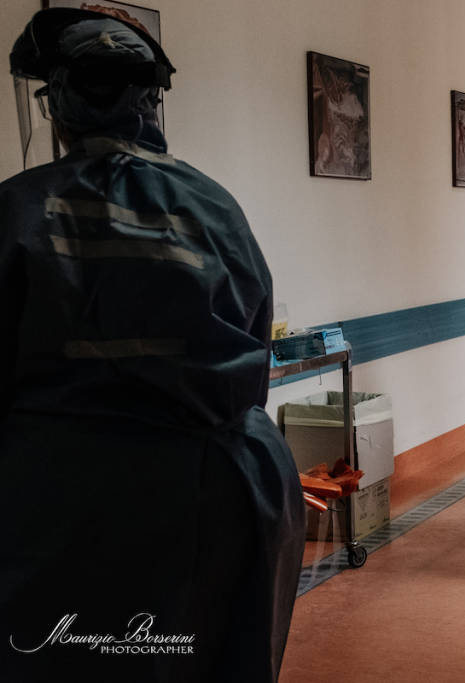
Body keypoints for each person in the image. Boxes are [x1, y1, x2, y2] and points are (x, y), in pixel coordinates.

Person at [0, 9, 304, 681]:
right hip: (224, 489)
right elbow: (253, 362)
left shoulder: (18, 209)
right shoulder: (216, 207)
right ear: (152, 100)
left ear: (57, 107)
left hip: (64, 510)